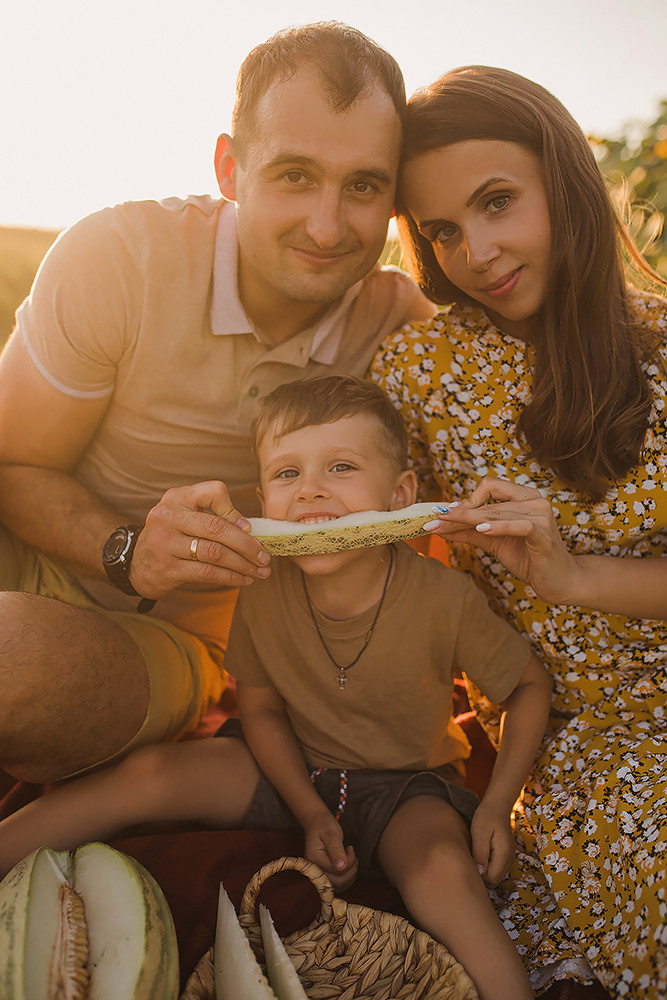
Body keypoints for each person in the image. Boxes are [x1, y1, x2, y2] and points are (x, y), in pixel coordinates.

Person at [0, 375, 552, 1000]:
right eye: (287, 474)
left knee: (444, 873)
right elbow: (259, 709)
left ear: (400, 494)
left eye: (340, 467)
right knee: (149, 773)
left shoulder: (443, 597)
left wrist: (496, 805)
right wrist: (310, 809)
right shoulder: (264, 588)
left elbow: (529, 686)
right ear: (263, 499)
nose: (311, 488)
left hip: (404, 785)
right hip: (288, 759)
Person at [0, 22, 436, 784]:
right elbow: (12, 461)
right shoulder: (119, 258)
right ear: (230, 168)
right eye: (295, 175)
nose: (328, 226)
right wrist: (131, 550)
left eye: (363, 185)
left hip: (164, 642)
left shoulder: (401, 329)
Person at [370, 65, 667, 1000]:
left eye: (497, 202)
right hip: (586, 734)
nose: (478, 251)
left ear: (564, 181)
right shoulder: (421, 367)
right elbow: (342, 503)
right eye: (443, 231)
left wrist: (572, 576)